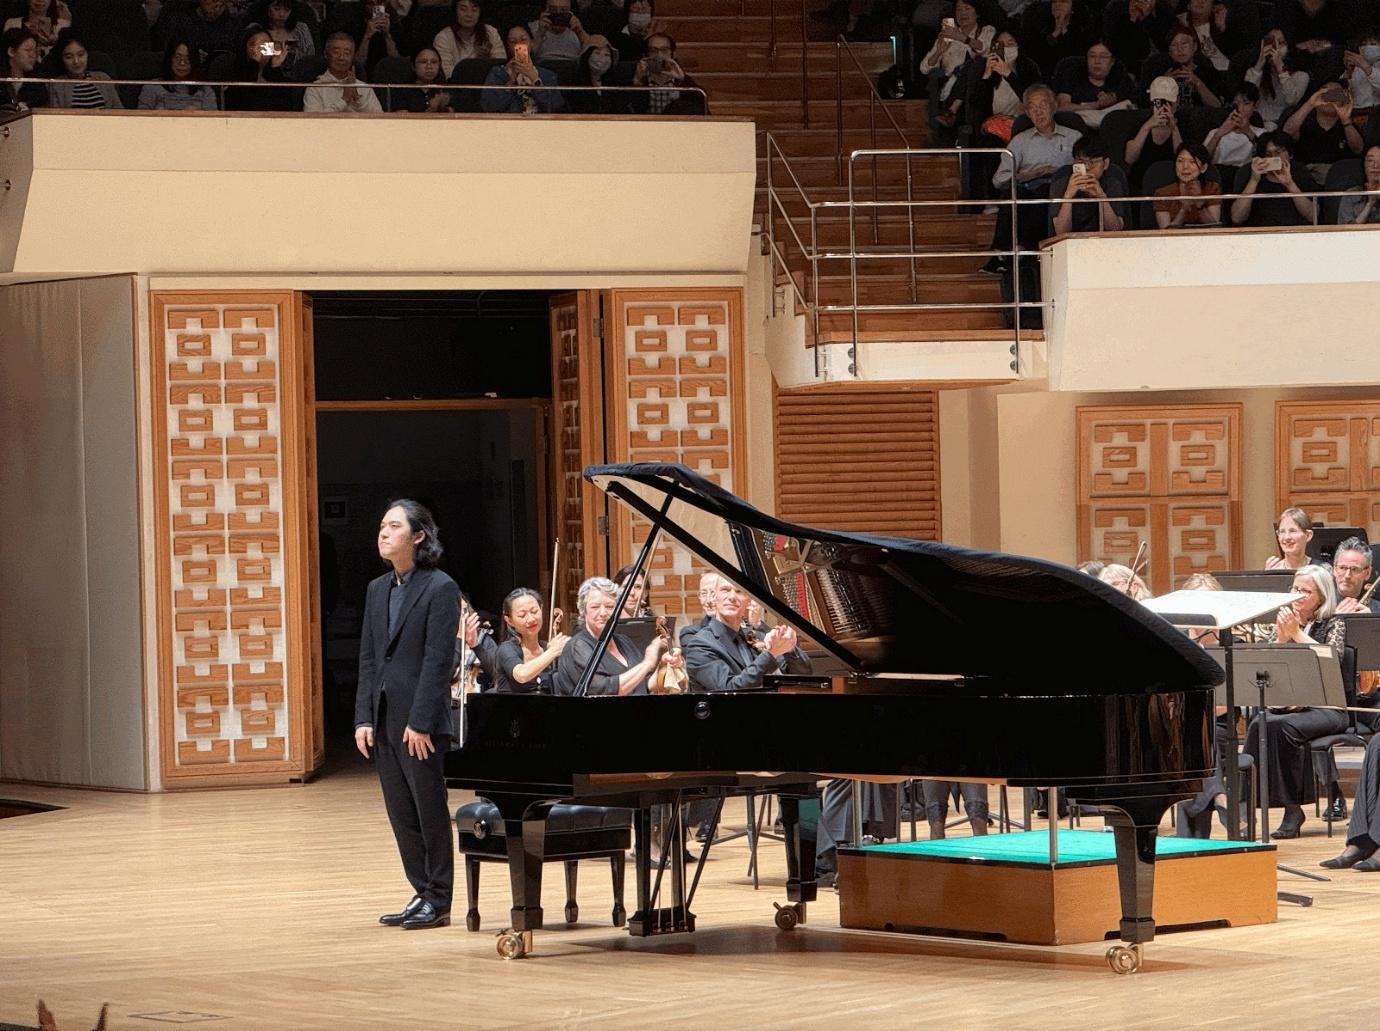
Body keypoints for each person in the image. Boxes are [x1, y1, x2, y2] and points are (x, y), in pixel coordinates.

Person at [354, 499, 460, 931]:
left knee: (429, 810)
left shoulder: (440, 588)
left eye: (394, 526)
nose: (383, 533)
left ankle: (440, 899)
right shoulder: (377, 589)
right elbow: (368, 658)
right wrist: (363, 717)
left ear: (418, 536)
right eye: (382, 525)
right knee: (400, 812)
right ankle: (420, 891)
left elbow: (439, 661)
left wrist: (420, 721)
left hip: (419, 722)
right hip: (383, 719)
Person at [1242, 564, 1354, 838]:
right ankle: (1248, 808)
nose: (1298, 595)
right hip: (1289, 706)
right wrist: (1280, 639)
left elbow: (1329, 661)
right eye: (1295, 588)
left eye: (1306, 591)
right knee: (1259, 724)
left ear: (1322, 597)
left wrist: (1295, 634)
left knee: (1283, 728)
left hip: (1328, 708)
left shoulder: (1334, 622)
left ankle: (1293, 810)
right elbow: (1266, 669)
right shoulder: (1281, 623)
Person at [985, 84, 1081, 274]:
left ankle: (1023, 250)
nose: (1038, 111)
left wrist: (1060, 172)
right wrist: (1031, 174)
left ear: (1053, 106)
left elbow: (1085, 168)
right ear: (1027, 112)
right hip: (1026, 186)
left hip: (1059, 190)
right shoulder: (1020, 141)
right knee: (1012, 196)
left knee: (1043, 193)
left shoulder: (1074, 137)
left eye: (1043, 105)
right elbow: (999, 179)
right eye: (1032, 107)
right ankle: (999, 254)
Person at [684, 576, 812, 693]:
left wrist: (788, 647)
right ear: (713, 597)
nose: (732, 597)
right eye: (725, 590)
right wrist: (771, 654)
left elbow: (804, 676)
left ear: (749, 599)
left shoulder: (756, 636)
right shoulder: (699, 645)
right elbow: (729, 689)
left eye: (739, 591)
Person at [552, 576, 675, 695]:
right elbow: (604, 690)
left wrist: (664, 666)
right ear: (584, 611)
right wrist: (647, 663)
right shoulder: (577, 647)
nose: (603, 613)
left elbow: (643, 685)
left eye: (610, 607)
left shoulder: (624, 642)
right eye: (595, 607)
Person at [921, 0, 994, 131]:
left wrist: (962, 38)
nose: (962, 13)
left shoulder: (986, 30)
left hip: (978, 91)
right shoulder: (947, 35)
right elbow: (924, 68)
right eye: (959, 9)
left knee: (976, 64)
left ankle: (952, 111)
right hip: (950, 90)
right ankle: (951, 111)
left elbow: (985, 48)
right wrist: (939, 51)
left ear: (977, 13)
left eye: (967, 9)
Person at [1230, 131, 1319, 226]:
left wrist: (1290, 184)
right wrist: (1254, 180)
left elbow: (1312, 216)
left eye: (1278, 152)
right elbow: (1237, 218)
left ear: (1290, 154)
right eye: (1268, 154)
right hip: (1258, 233)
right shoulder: (1248, 171)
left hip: (1295, 233)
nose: (1274, 157)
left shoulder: (1300, 171)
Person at [492, 587, 569, 694]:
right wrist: (552, 652)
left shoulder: (547, 647)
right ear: (509, 620)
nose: (531, 619)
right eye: (522, 615)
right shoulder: (506, 649)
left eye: (534, 611)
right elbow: (522, 675)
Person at [1049, 131, 1128, 234]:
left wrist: (1101, 196)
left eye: (1093, 162)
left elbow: (1115, 229)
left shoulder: (1113, 183)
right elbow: (1061, 232)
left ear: (1106, 164)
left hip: (1105, 243)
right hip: (1072, 244)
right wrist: (1068, 197)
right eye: (1081, 161)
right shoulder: (1061, 184)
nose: (1087, 167)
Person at [1282, 82, 1363, 176]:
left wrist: (1346, 121)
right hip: (1305, 176)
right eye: (1325, 93)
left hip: (1338, 177)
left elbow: (1358, 149)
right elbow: (1286, 134)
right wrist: (1310, 104)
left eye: (1335, 94)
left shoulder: (1348, 124)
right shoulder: (1303, 119)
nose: (1329, 99)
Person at [481, 24, 563, 113]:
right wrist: (510, 81)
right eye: (513, 41)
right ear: (508, 46)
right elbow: (489, 107)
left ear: (531, 42)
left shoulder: (547, 74)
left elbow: (554, 107)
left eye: (523, 40)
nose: (519, 44)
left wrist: (535, 79)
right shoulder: (498, 73)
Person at [1054, 39, 1135, 127]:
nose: (1097, 61)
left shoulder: (1122, 81)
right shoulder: (1073, 75)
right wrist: (1096, 105)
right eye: (1092, 56)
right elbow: (1061, 108)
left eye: (1103, 57)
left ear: (1112, 61)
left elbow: (1133, 108)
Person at [1124, 76, 1183, 193]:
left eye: (1169, 103)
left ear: (1177, 102)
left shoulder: (1185, 125)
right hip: (1141, 186)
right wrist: (1147, 126)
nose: (1164, 108)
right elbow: (1129, 159)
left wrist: (1174, 129)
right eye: (1159, 102)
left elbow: (1183, 158)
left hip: (1174, 185)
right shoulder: (1140, 124)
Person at [1141, 24, 1223, 108]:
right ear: (1169, 51)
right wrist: (1162, 84)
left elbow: (1217, 106)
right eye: (1174, 45)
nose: (1179, 49)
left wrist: (1197, 83)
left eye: (1184, 44)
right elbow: (1146, 106)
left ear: (1194, 47)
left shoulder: (1208, 73)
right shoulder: (1157, 72)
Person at [1244, 29, 1309, 128]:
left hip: (1278, 125)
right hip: (1253, 121)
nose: (1275, 48)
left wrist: (1280, 67)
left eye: (1281, 43)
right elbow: (1247, 95)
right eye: (1271, 42)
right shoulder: (1255, 71)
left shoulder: (1301, 76)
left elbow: (1291, 100)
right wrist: (1260, 63)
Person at [304, 32, 383, 113]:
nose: (341, 57)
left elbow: (381, 120)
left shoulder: (364, 88)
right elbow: (313, 122)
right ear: (326, 54)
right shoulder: (314, 89)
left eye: (347, 53)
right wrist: (344, 100)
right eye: (336, 52)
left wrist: (357, 98)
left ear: (353, 57)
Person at [628, 32, 704, 115]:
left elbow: (700, 107)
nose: (659, 55)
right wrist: (637, 82)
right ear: (646, 55)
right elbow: (630, 110)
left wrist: (683, 80)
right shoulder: (640, 79)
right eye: (653, 50)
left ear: (673, 54)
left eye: (664, 50)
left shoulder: (683, 81)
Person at [223, 26, 296, 111]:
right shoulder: (233, 77)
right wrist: (254, 64)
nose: (260, 49)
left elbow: (285, 107)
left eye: (266, 45)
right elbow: (245, 104)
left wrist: (275, 68)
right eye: (254, 45)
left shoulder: (276, 75)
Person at [45, 31, 122, 110]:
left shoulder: (103, 78)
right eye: (69, 57)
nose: (76, 61)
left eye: (81, 55)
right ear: (62, 59)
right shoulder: (56, 85)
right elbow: (54, 118)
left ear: (87, 54)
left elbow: (120, 111)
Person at [1154, 141, 1222, 228]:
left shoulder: (1212, 189)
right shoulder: (1163, 194)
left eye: (1192, 162)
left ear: (1203, 168)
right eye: (1180, 161)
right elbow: (1166, 235)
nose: (1185, 167)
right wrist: (1184, 209)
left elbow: (1215, 229)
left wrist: (1199, 204)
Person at [1019, 0, 1092, 79]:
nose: (1058, 5)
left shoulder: (1082, 31)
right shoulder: (1041, 29)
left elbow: (1077, 54)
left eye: (1063, 2)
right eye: (1054, 2)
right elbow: (1038, 55)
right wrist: (1055, 33)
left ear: (1072, 8)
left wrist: (1064, 30)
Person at [138, 38, 219, 110]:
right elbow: (140, 120)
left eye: (188, 58)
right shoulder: (152, 87)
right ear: (170, 59)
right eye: (177, 57)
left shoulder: (206, 90)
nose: (182, 63)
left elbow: (214, 123)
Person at [1101, 0, 1175, 75]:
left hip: (1162, 64)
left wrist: (1149, 17)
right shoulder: (1116, 7)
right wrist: (1133, 19)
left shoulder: (1163, 9)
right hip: (1127, 66)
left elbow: (1167, 45)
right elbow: (1116, 45)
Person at [433, 0, 502, 78]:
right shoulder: (443, 37)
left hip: (489, 85)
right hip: (456, 86)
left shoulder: (491, 32)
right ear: (455, 12)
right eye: (463, 9)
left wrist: (486, 59)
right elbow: (446, 72)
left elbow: (502, 67)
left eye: (474, 10)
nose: (469, 14)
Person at [163, 0, 242, 65]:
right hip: (188, 73)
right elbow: (170, 53)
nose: (217, 4)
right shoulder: (181, 20)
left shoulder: (235, 24)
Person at [1204, 83, 1263, 167]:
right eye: (1237, 103)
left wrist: (1248, 132)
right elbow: (1201, 161)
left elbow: (1267, 159)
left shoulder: (1261, 134)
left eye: (1246, 103)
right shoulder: (1215, 133)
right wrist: (1219, 134)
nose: (1240, 109)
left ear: (1255, 105)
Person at [254, 0, 314, 72]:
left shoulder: (301, 29)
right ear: (267, 9)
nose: (282, 14)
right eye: (276, 9)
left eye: (287, 10)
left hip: (299, 78)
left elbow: (311, 58)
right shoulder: (257, 30)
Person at [569, 33, 623, 113]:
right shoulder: (575, 85)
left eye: (607, 55)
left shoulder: (617, 85)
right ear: (587, 56)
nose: (601, 58)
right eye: (597, 53)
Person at [2, 0, 70, 61]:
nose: (40, 0)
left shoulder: (62, 25)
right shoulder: (13, 24)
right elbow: (6, 56)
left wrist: (57, 43)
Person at [391, 46, 453, 112]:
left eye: (434, 62)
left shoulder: (445, 90)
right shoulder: (402, 91)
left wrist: (441, 108)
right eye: (423, 62)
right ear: (413, 66)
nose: (429, 66)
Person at [1, 27, 47, 113]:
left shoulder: (38, 86)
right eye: (28, 50)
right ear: (11, 51)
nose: (33, 55)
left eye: (34, 51)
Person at [1333, 536, 1379, 613]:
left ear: (1368, 573)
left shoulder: (1377, 610)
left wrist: (1371, 622)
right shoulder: (1316, 605)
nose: (1347, 576)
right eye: (1342, 568)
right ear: (1334, 569)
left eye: (1354, 569)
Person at [1339, 143, 1380, 224]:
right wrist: (1370, 204)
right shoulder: (1351, 195)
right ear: (1363, 165)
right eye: (1370, 160)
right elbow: (1346, 232)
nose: (1376, 165)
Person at [1342, 27, 1380, 110]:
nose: (1367, 47)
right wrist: (1348, 72)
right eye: (1363, 44)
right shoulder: (1355, 65)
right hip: (1355, 112)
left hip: (1376, 114)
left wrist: (1366, 67)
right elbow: (1343, 91)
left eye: (1373, 44)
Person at [679, 571, 717, 648]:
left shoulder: (745, 631)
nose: (708, 600)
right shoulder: (691, 633)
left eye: (713, 593)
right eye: (703, 593)